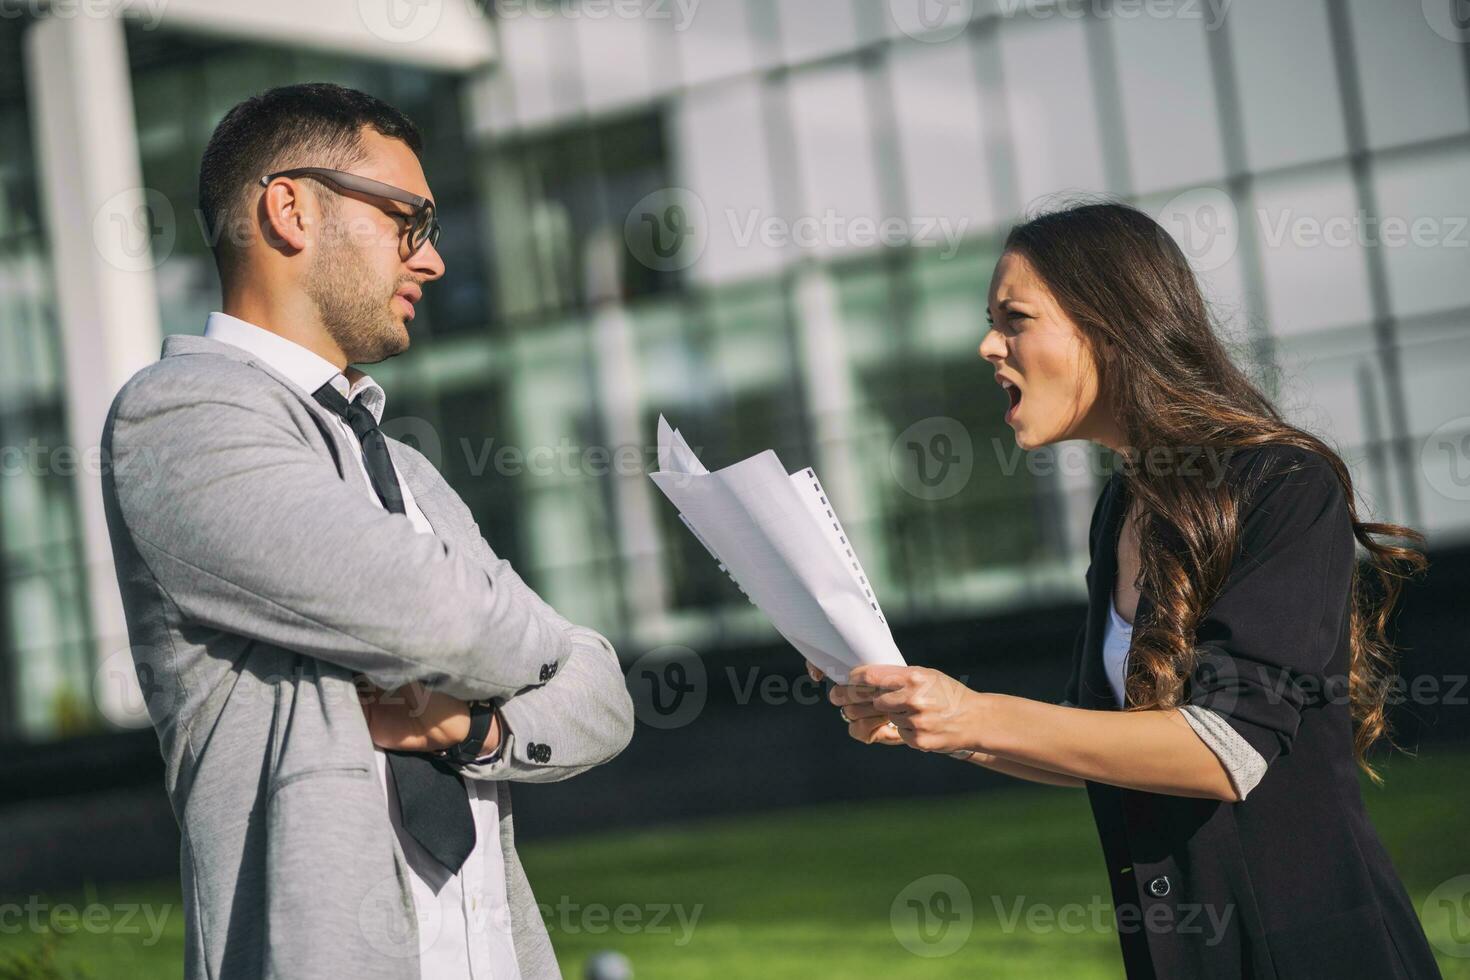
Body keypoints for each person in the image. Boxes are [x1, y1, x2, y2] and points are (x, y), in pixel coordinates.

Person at [822, 202, 1442, 978]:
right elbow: (1094, 741)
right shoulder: (1122, 506)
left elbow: (1231, 749)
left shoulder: (1282, 484)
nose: (988, 345)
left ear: (1111, 328)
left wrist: (975, 713)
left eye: (1014, 319)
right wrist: (930, 718)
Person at [100, 83, 633, 980]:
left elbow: (606, 694)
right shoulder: (179, 419)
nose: (431, 262)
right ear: (290, 209)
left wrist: (477, 731)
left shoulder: (406, 469)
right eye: (407, 221)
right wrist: (534, 641)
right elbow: (444, 619)